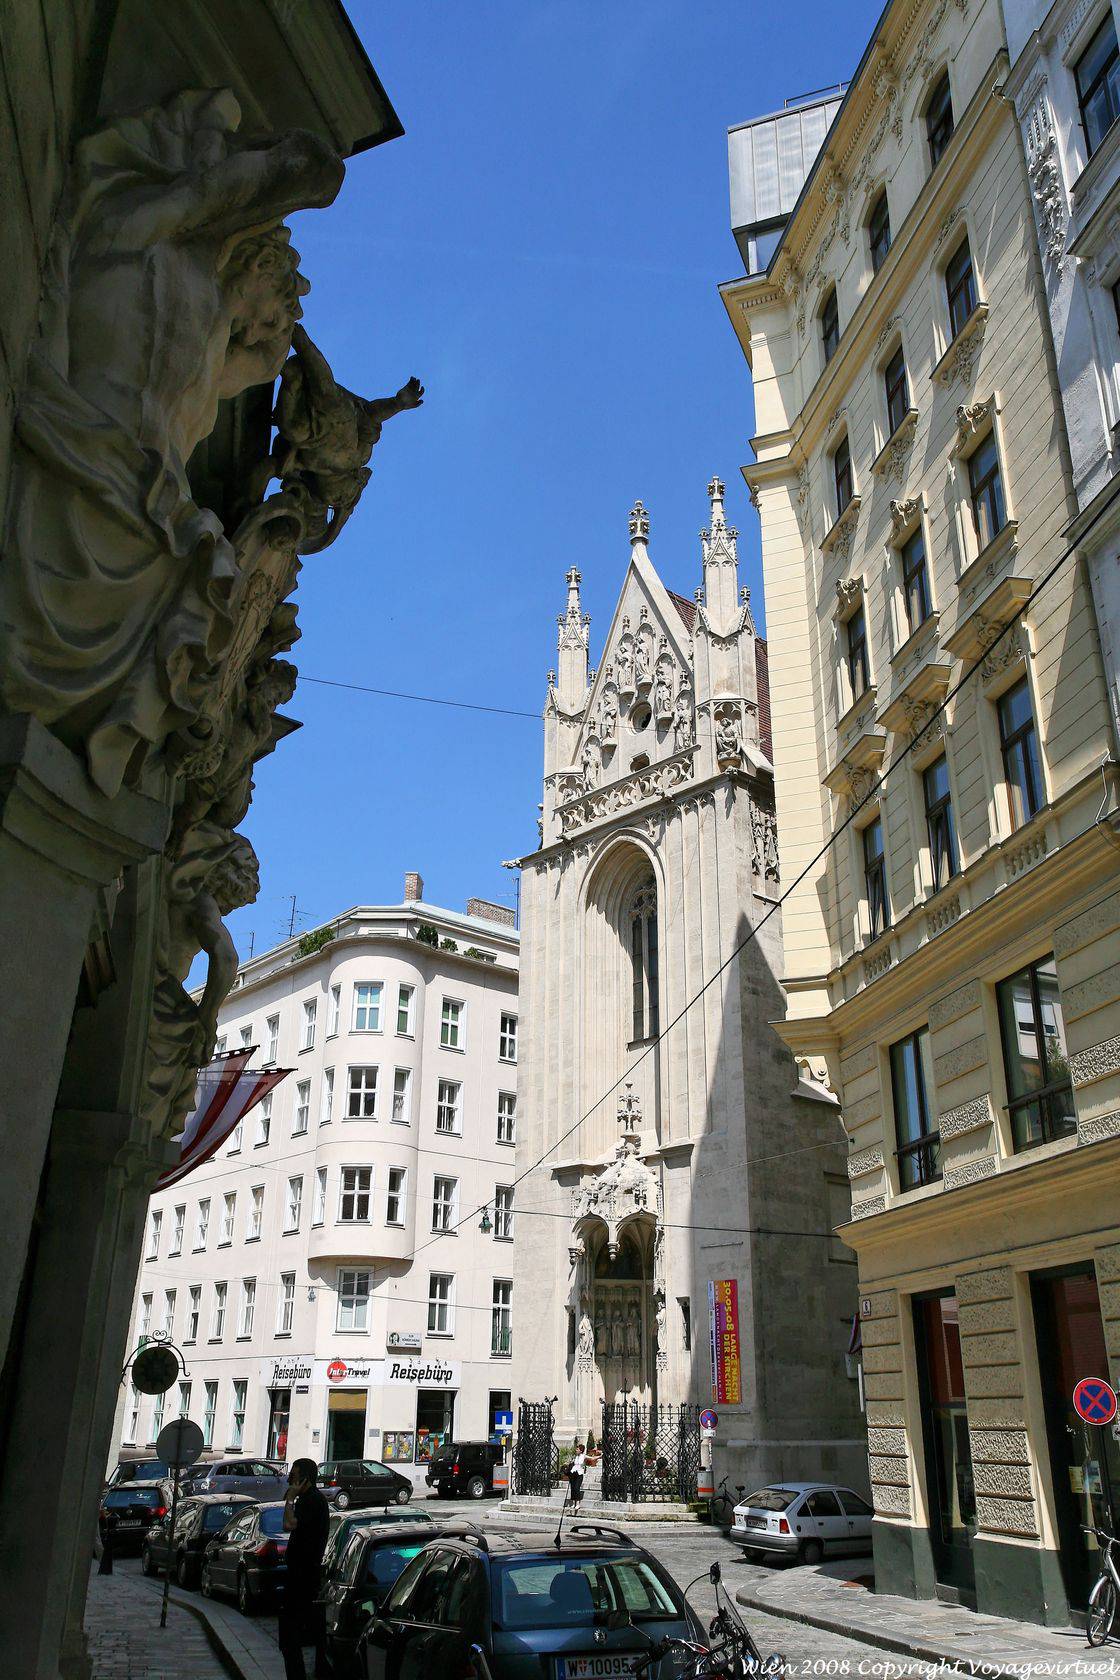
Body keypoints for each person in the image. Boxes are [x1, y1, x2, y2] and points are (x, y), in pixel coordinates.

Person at [279, 1458, 331, 1680]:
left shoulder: (312, 1501)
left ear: (304, 1479)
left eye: (293, 1475)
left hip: (303, 1580)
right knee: (291, 1640)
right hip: (301, 1578)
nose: (289, 1479)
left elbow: (288, 1524)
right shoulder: (310, 1500)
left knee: (292, 1639)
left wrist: (290, 1499)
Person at [567, 1442, 587, 1510]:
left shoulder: (583, 1456)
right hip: (573, 1473)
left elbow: (592, 1458)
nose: (576, 1450)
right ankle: (573, 1503)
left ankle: (578, 1503)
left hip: (579, 1474)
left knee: (577, 1488)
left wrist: (599, 1456)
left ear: (581, 1450)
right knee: (572, 1488)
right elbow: (572, 1463)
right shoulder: (575, 1457)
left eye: (577, 1449)